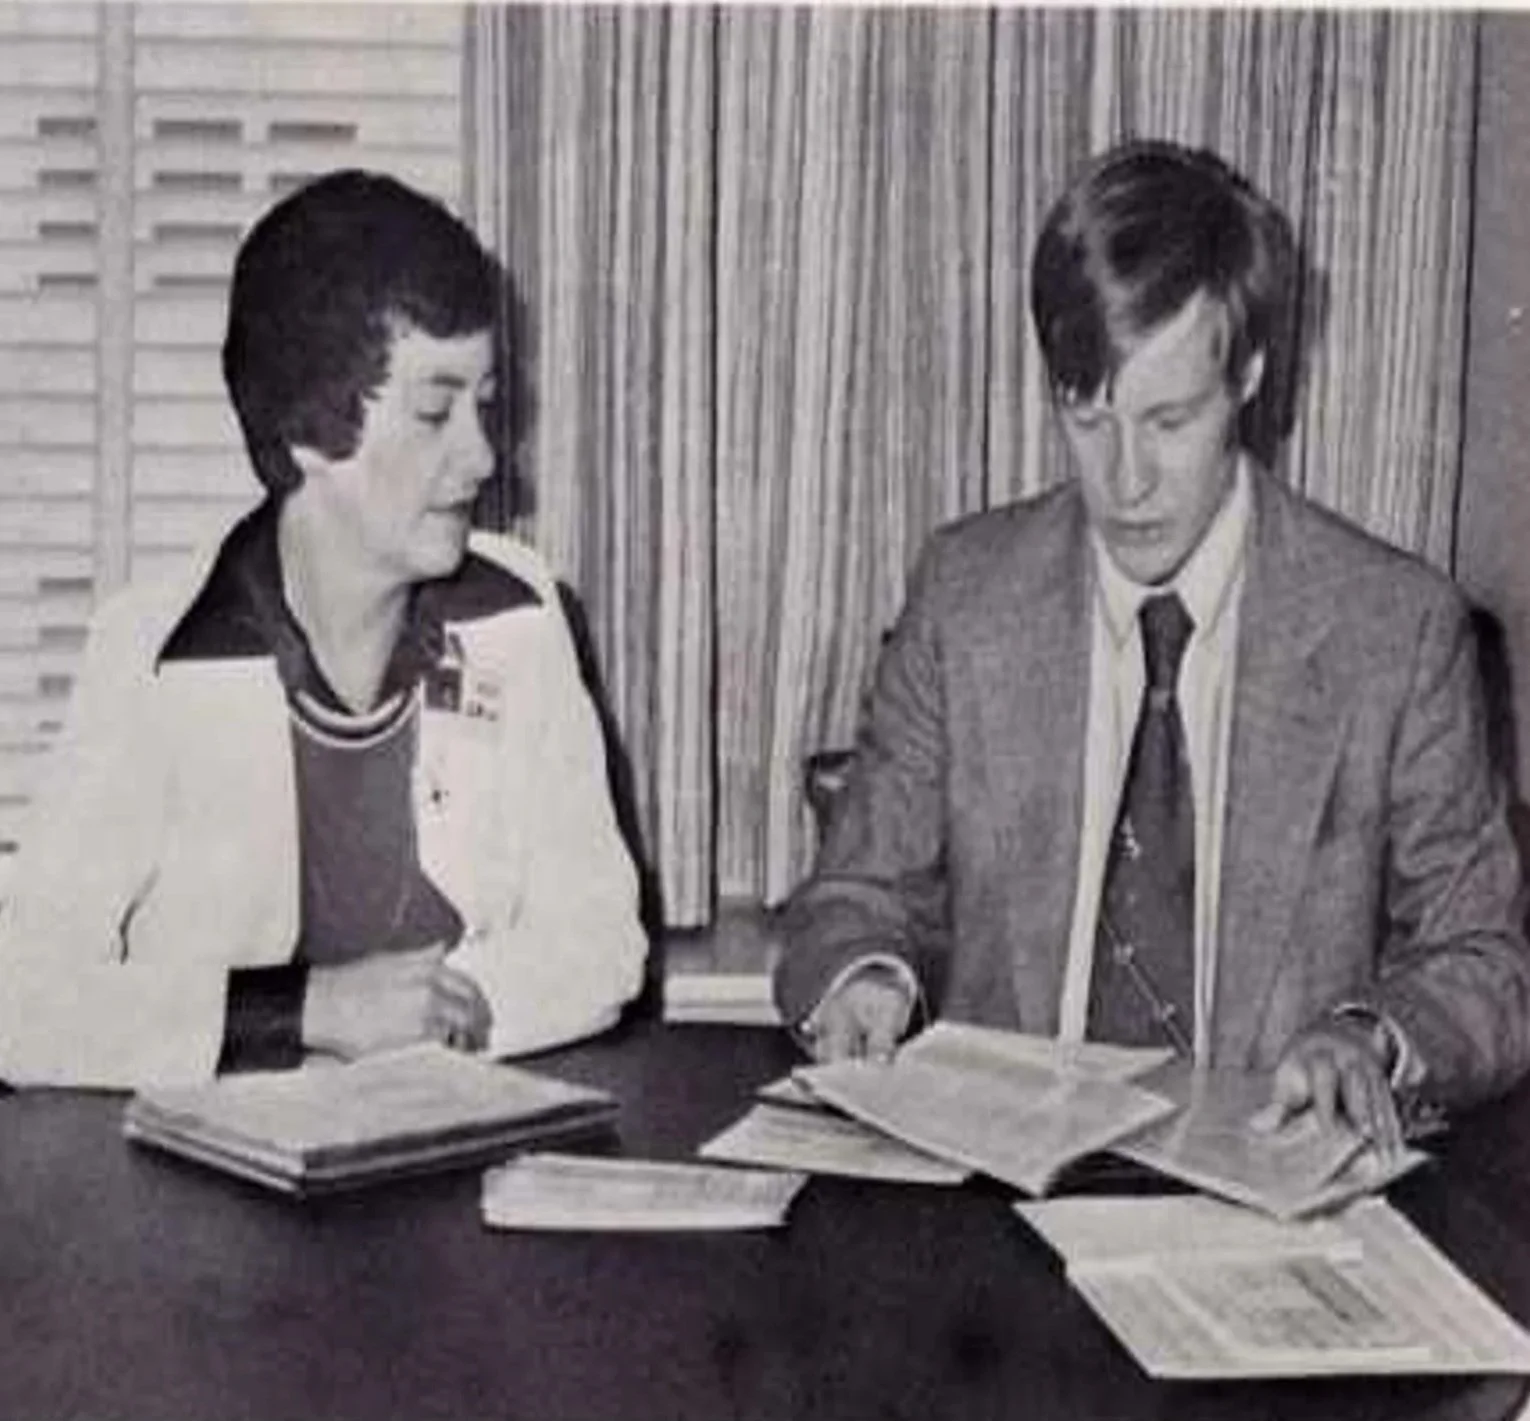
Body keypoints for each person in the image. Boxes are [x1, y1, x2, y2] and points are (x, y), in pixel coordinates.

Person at [774, 140, 1530, 1149]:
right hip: (1007, 1213)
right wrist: (867, 970)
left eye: (1169, 419)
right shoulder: (966, 596)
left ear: (1250, 373)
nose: (1126, 480)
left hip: (1269, 1211)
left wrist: (1369, 1035)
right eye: (1088, 418)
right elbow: (855, 896)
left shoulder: (1397, 631)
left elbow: (1484, 962)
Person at [0, 170, 647, 1088]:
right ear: (311, 432)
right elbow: (23, 998)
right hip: (216, 1208)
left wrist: (443, 1011)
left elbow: (600, 938)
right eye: (434, 411)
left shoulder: (524, 615)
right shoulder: (154, 652)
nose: (481, 454)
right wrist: (305, 1009)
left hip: (459, 1177)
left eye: (485, 405)